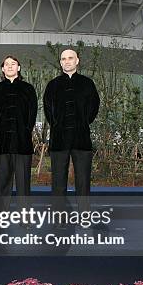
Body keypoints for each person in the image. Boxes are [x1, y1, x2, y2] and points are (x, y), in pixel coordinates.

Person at [43, 48, 100, 215]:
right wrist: (57, 124)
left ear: (77, 61)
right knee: (58, 182)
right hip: (59, 140)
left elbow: (94, 106)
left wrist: (82, 122)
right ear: (60, 62)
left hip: (81, 139)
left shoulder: (87, 83)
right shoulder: (52, 85)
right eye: (63, 59)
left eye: (70, 58)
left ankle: (84, 216)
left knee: (83, 182)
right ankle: (59, 217)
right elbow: (48, 109)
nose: (67, 61)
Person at [0, 55, 37, 226]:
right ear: (2, 69)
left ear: (19, 68)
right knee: (2, 182)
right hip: (3, 143)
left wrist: (25, 130)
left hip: (22, 142)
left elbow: (32, 114)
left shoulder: (28, 89)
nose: (9, 66)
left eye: (13, 64)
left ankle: (26, 219)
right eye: (6, 64)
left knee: (23, 183)